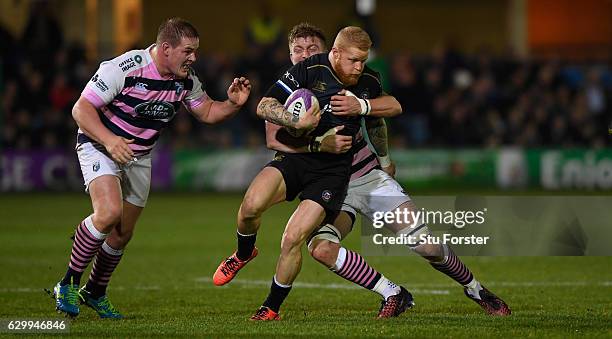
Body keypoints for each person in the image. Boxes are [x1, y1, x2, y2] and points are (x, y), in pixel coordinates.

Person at [51, 17, 251, 319]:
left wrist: (233, 104)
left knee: (121, 234)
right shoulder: (123, 68)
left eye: (195, 51)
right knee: (108, 213)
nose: (194, 58)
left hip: (138, 156)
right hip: (100, 145)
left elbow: (207, 111)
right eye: (188, 51)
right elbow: (81, 109)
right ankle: (67, 283)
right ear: (166, 48)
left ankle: (94, 291)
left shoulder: (185, 80)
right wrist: (110, 139)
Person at [214, 26, 409, 321]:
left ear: (329, 51)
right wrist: (305, 129)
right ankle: (243, 252)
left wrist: (382, 158)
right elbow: (268, 125)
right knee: (250, 206)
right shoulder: (295, 80)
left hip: (331, 172)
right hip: (294, 159)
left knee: (293, 238)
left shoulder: (359, 78)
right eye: (298, 51)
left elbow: (379, 117)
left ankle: (270, 308)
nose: (305, 56)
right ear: (292, 54)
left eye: (310, 50)